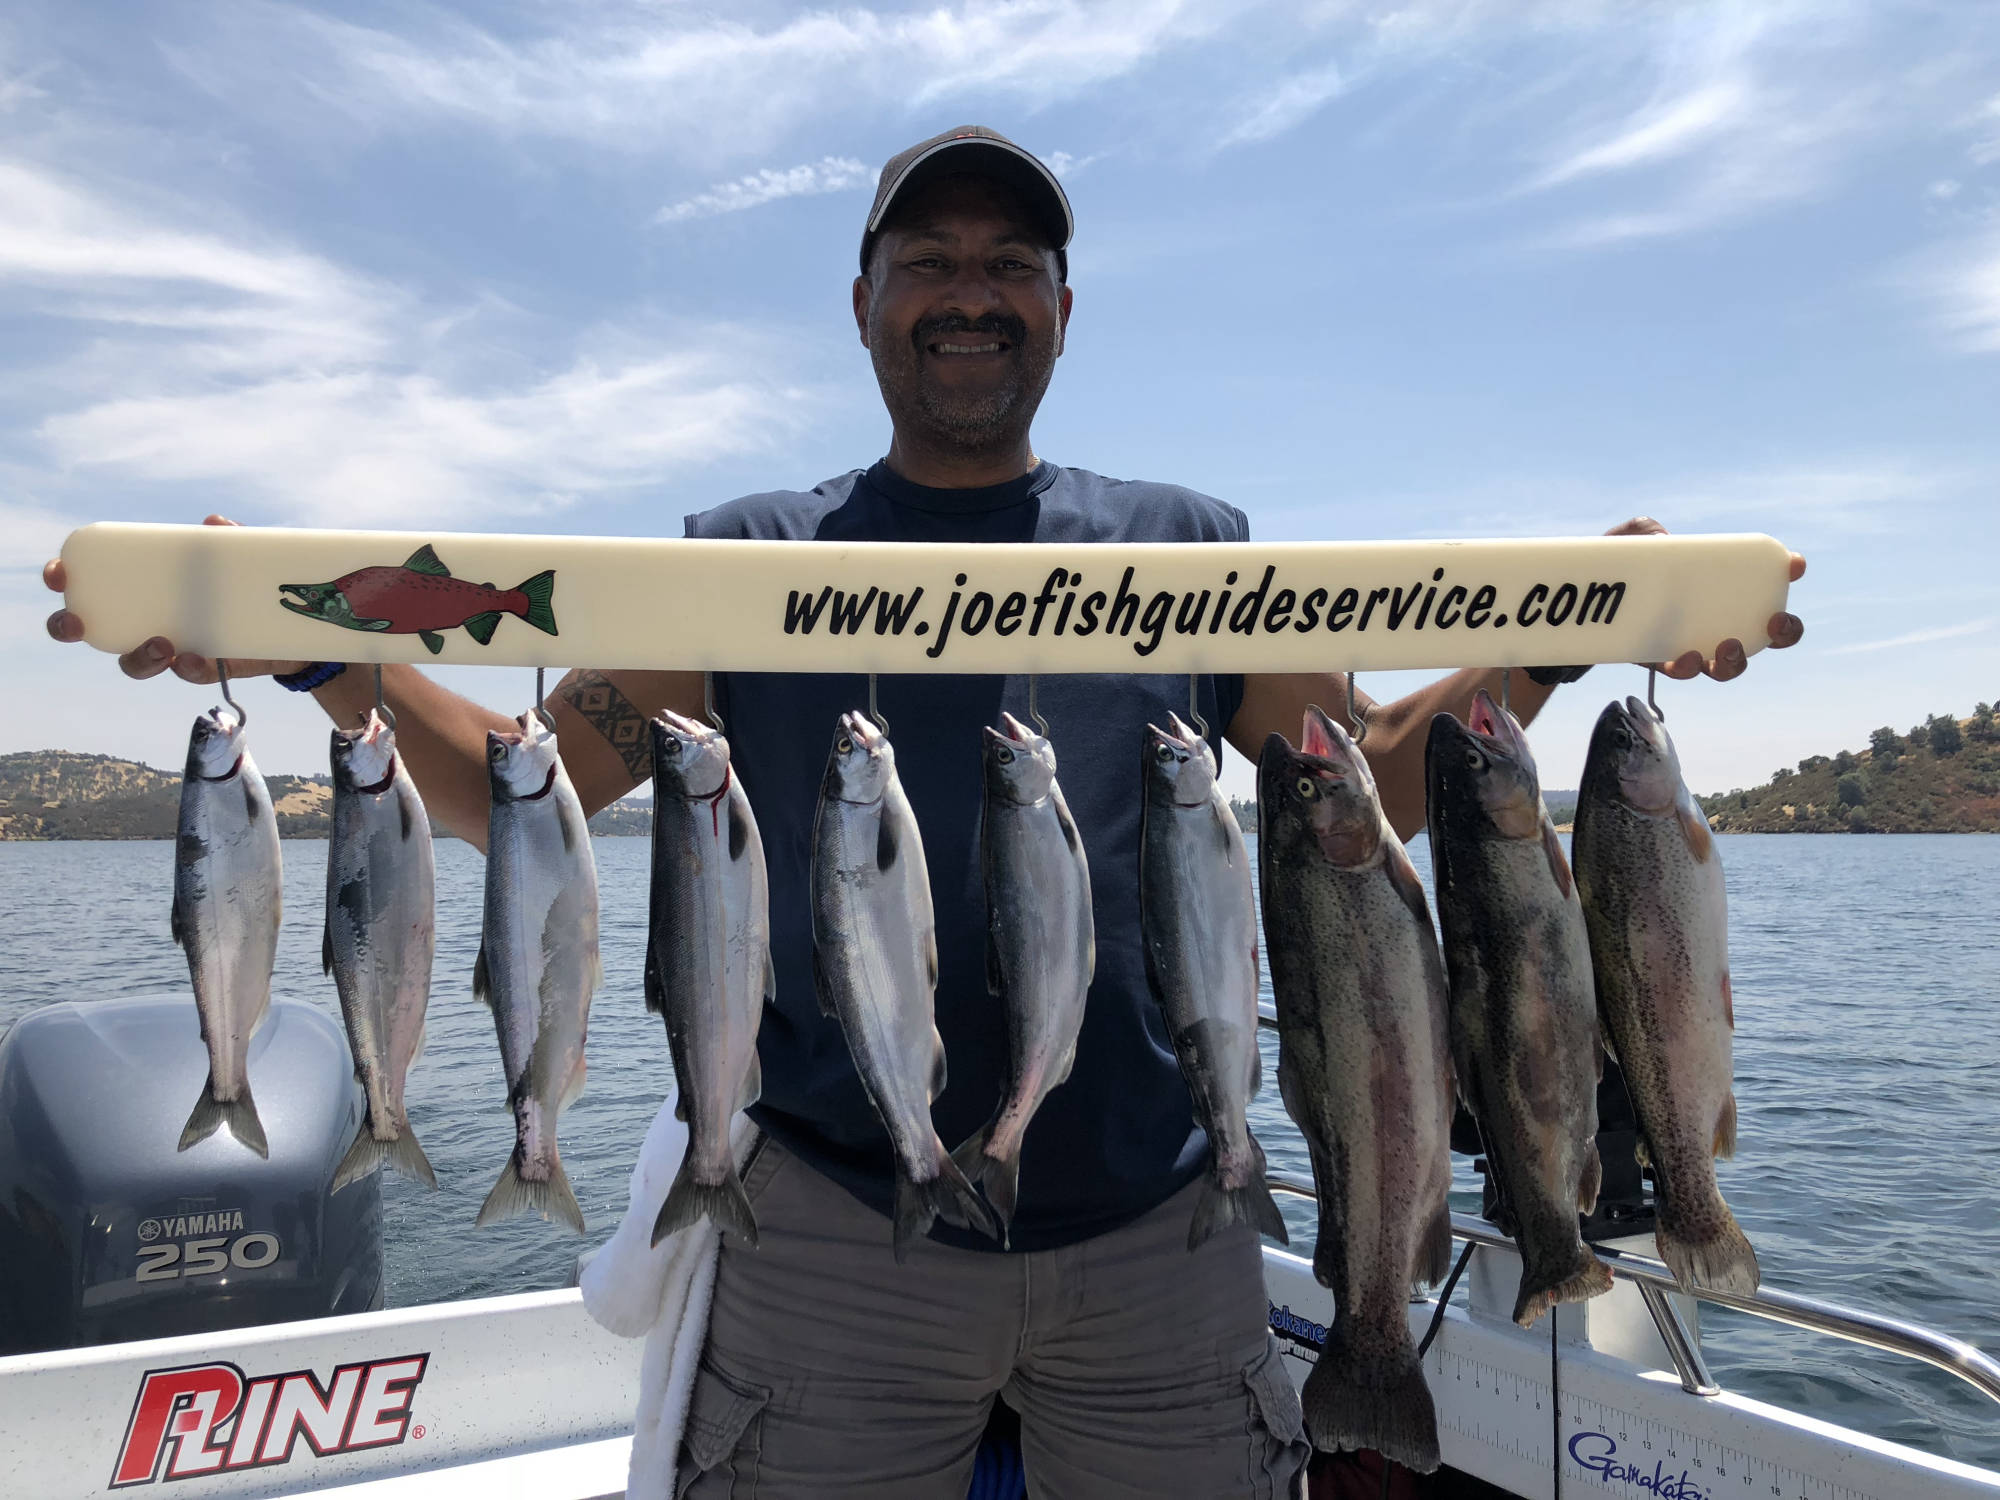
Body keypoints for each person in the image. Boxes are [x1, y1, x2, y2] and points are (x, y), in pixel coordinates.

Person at [44, 125, 1804, 1499]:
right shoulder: (736, 568)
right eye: (930, 260)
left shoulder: (1191, 553)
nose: (972, 291)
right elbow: (517, 791)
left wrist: (1565, 650)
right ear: (866, 299)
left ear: (1061, 308)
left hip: (1164, 1226)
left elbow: (1370, 794)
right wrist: (302, 651)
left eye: (1011, 264)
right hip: (823, 1234)